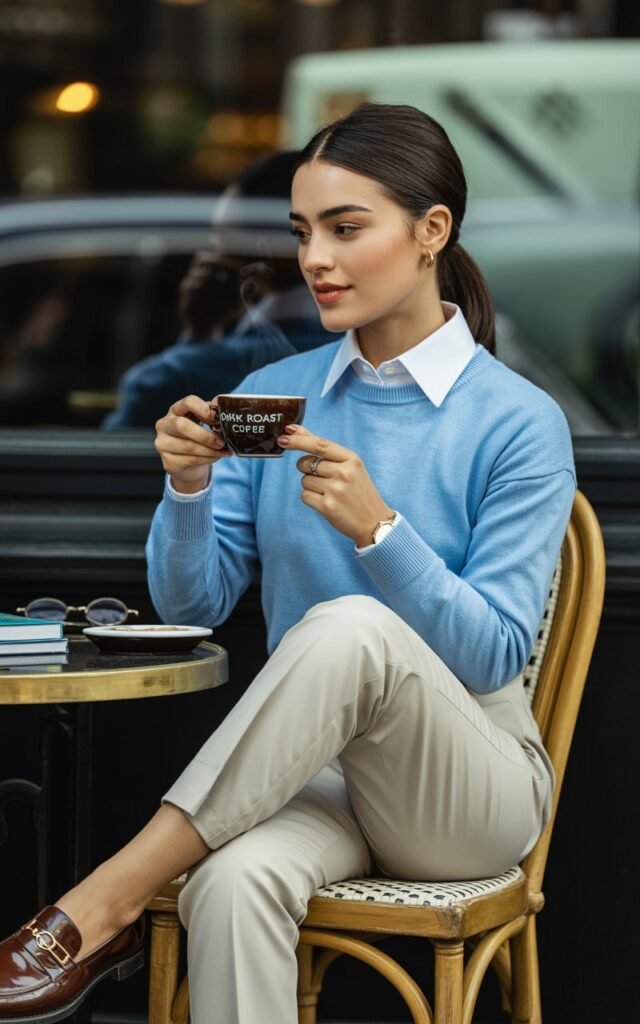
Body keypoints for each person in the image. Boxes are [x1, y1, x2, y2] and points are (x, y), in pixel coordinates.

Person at [0, 103, 576, 1023]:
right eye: (304, 231)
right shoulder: (273, 395)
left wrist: (380, 533)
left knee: (349, 623)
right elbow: (194, 603)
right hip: (312, 778)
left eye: (347, 230)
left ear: (432, 232)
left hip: (468, 790)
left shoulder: (517, 422)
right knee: (227, 886)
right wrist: (186, 488)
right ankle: (121, 902)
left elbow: (495, 653)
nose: (314, 259)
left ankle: (101, 902)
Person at [103, 151, 332, 429]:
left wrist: (199, 338)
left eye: (223, 240)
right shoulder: (372, 349)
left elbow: (116, 448)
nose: (211, 254)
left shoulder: (179, 376)